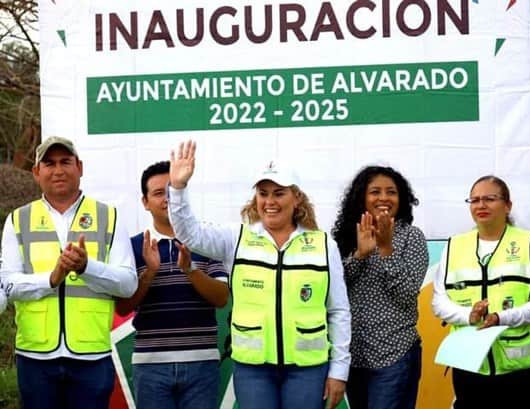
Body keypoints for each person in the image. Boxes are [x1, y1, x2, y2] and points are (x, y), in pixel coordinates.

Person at [167, 140, 350, 409]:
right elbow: (189, 233)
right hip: (253, 370)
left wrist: (338, 371)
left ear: (296, 197)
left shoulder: (324, 245)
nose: (270, 201)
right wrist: (179, 188)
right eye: (263, 193)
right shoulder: (236, 238)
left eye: (279, 193)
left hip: (307, 370)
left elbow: (338, 311)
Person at [0, 136, 137, 409]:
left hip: (91, 356)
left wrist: (88, 267)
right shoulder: (17, 219)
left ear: (80, 167)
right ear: (36, 173)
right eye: (49, 163)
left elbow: (128, 284)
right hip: (36, 356)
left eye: (66, 161)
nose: (58, 170)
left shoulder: (109, 216)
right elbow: (9, 285)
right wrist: (52, 277)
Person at [115, 161, 229, 409]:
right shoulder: (133, 247)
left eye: (171, 191)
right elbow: (123, 307)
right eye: (158, 193)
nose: (166, 198)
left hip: (202, 363)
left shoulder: (206, 240)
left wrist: (190, 270)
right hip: (150, 366)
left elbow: (221, 298)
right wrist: (150, 273)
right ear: (145, 202)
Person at [431, 175, 530, 409]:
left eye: (489, 199)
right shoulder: (455, 245)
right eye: (474, 200)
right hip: (470, 366)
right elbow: (439, 301)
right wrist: (469, 316)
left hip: (521, 370)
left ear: (508, 205)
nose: (481, 205)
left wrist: (501, 318)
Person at [331, 166, 428, 409]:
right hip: (353, 356)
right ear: (362, 197)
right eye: (375, 191)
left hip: (395, 354)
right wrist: (359, 256)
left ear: (401, 199)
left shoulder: (411, 237)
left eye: (391, 192)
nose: (383, 198)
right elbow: (333, 290)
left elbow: (407, 295)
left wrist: (386, 249)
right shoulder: (345, 236)